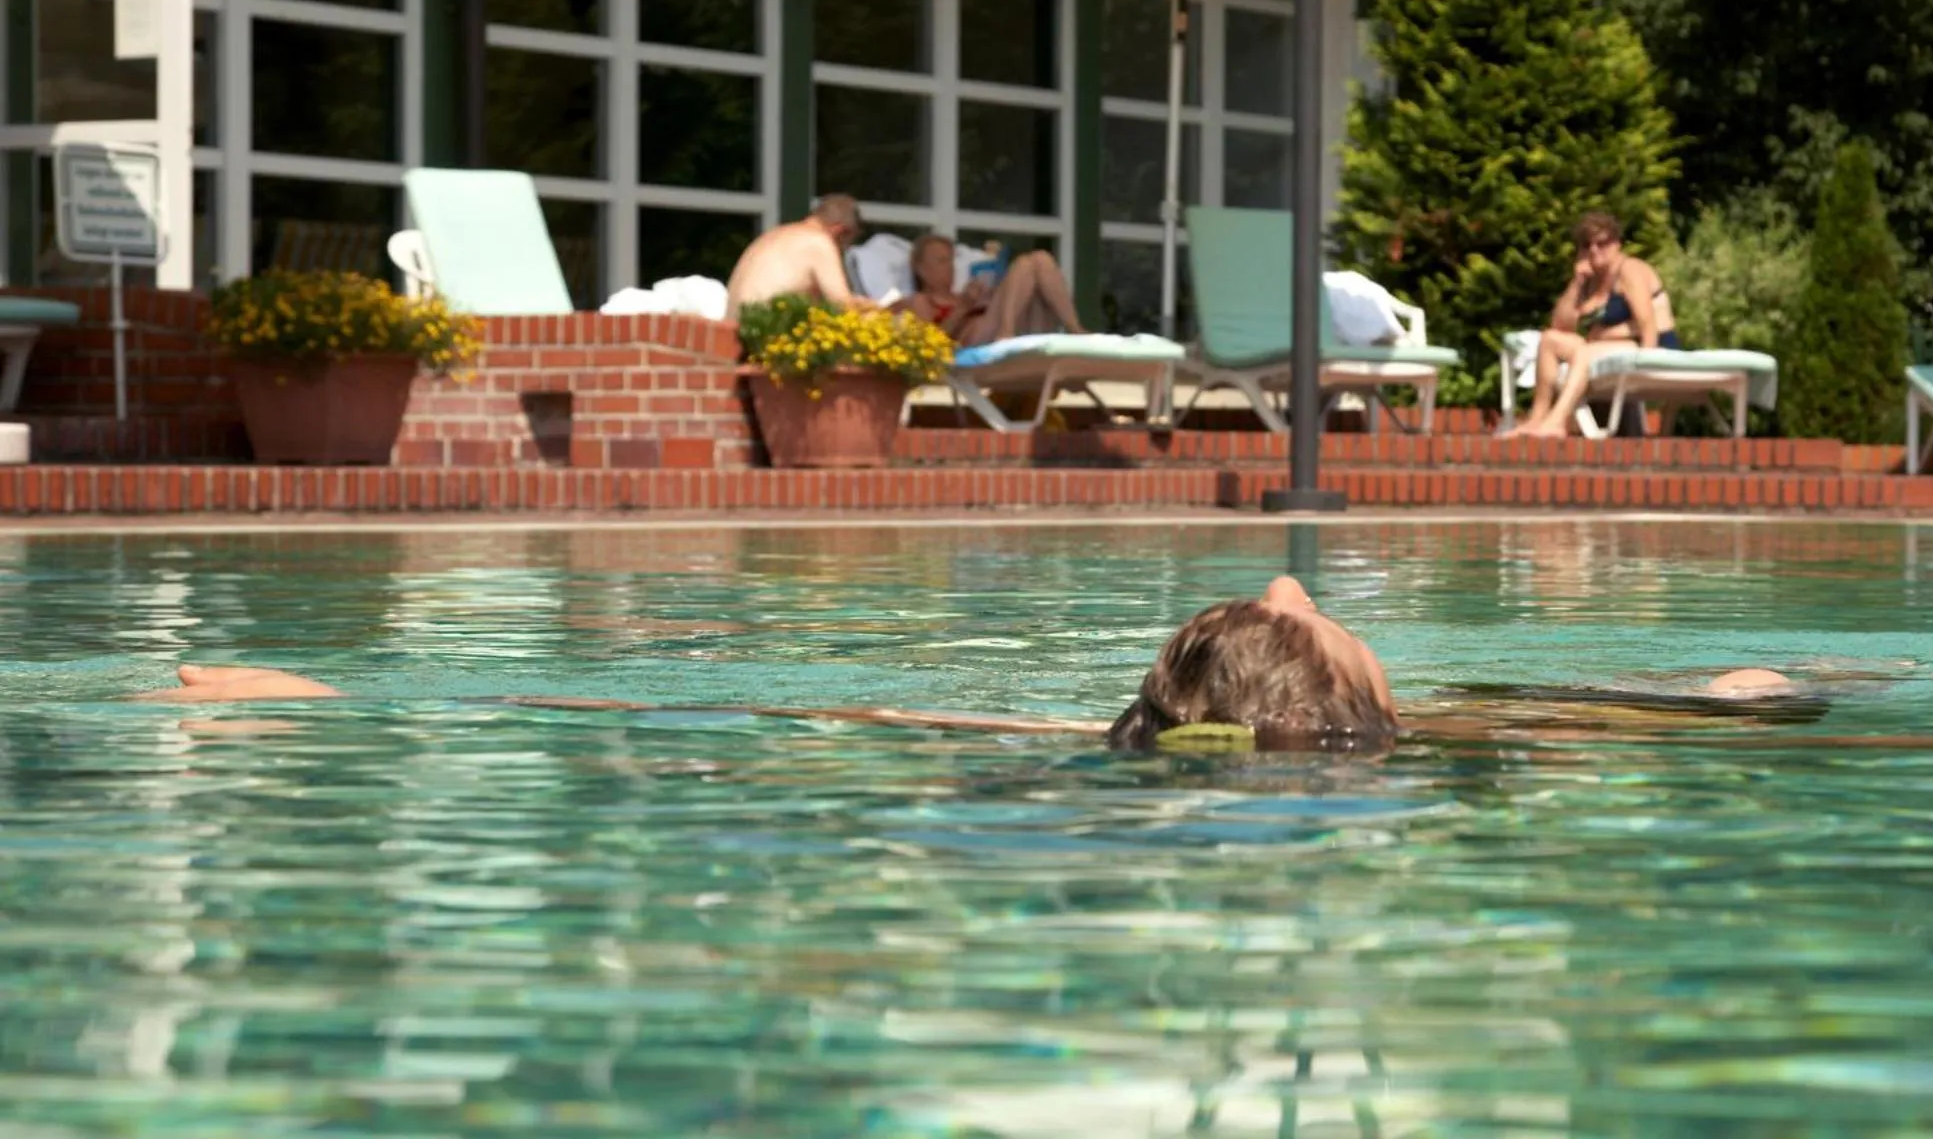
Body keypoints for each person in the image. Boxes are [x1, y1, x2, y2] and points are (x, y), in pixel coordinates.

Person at [136, 577, 1804, 752]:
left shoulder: (1119, 744)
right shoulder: (1445, 742)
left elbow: (819, 704)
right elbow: (1736, 708)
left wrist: (343, 704)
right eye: (1291, 599)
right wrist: (1736, 700)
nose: (1294, 579)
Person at [1506, 211, 1680, 440]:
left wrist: (1643, 366)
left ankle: (1557, 422)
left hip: (1652, 347)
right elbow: (1560, 325)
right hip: (1611, 348)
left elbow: (1647, 324)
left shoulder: (1629, 270)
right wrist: (1577, 283)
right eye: (1587, 245)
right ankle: (1537, 419)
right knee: (1549, 340)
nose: (1595, 250)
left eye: (1602, 243)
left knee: (1582, 352)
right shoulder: (1591, 280)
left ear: (1617, 243)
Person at [904, 233, 1087, 346]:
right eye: (942, 261)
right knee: (1023, 264)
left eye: (951, 260)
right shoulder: (920, 301)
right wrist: (963, 308)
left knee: (1041, 258)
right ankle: (1005, 334)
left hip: (1010, 330)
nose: (950, 267)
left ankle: (1074, 329)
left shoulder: (963, 293)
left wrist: (992, 297)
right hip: (972, 342)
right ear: (920, 268)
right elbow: (929, 343)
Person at [724, 194, 871, 318]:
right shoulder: (819, 242)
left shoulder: (777, 234)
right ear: (840, 232)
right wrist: (875, 311)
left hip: (729, 334)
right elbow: (844, 308)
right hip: (757, 338)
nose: (843, 251)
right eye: (847, 243)